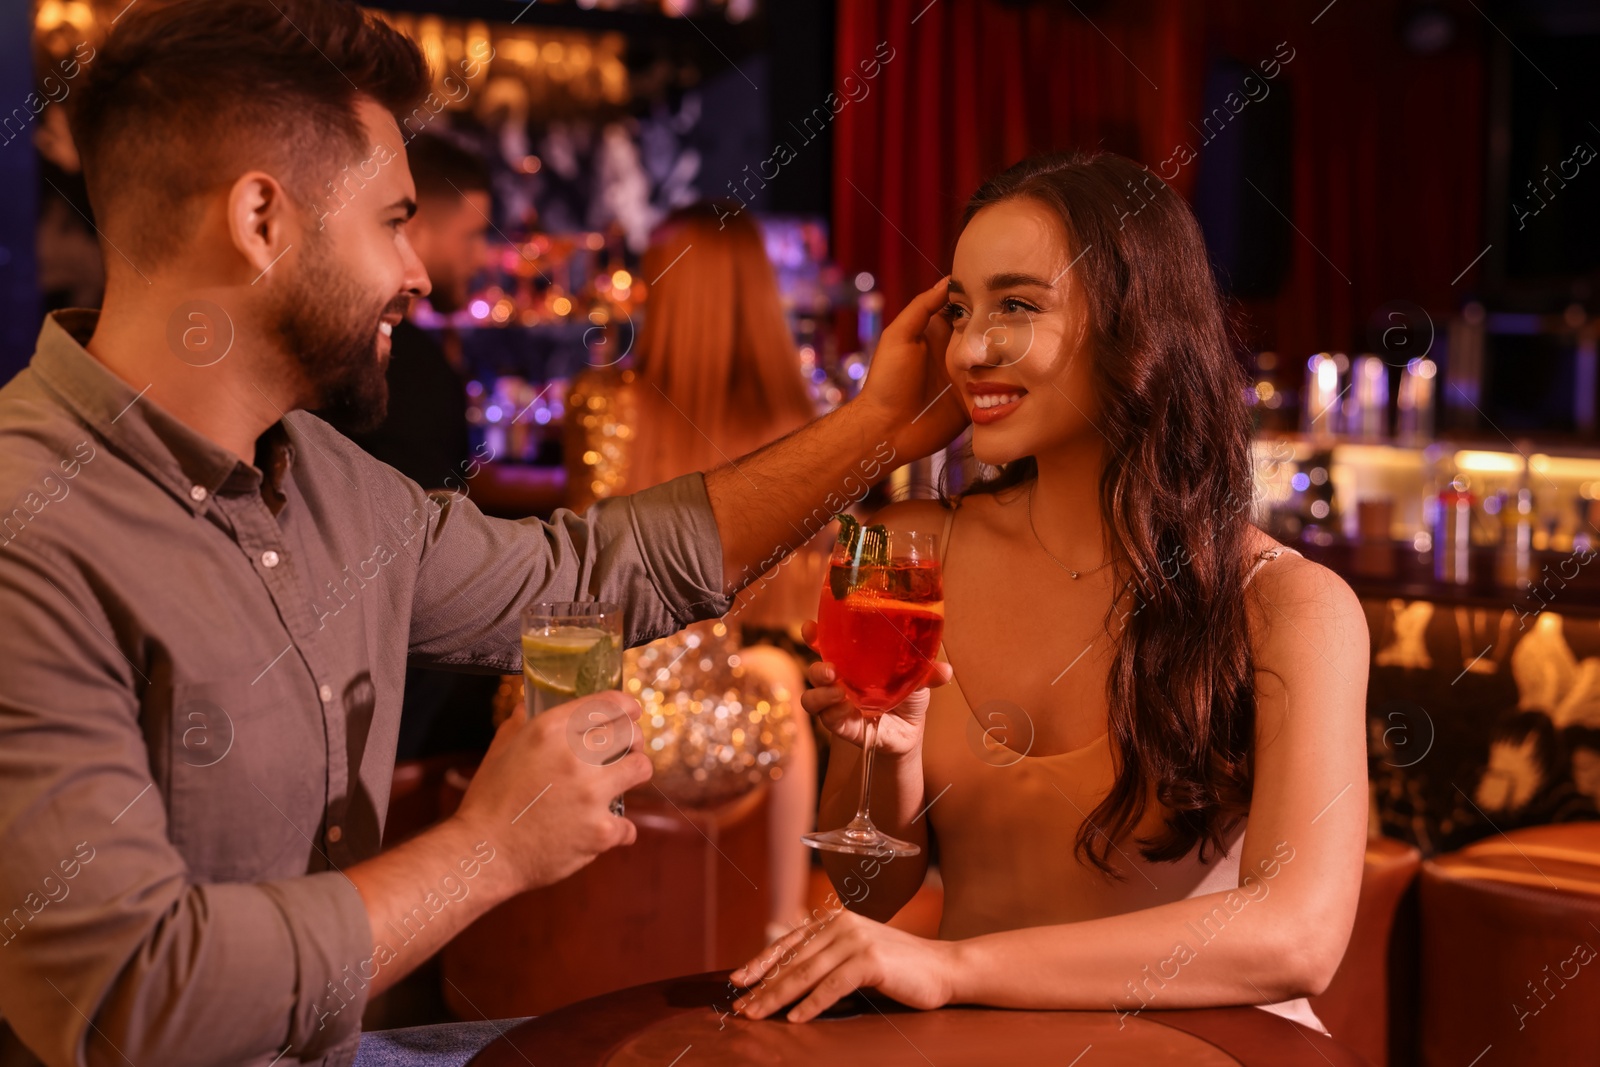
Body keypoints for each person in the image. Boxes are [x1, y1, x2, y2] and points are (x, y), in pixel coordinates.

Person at [0, 4, 963, 1067]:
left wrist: (877, 427)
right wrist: (487, 849)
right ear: (261, 220)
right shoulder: (27, 531)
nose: (416, 272)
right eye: (392, 220)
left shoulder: (326, 481)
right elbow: (132, 997)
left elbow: (593, 573)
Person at [729, 152, 1370, 1033]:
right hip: (976, 1042)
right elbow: (869, 890)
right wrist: (889, 756)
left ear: (1135, 326)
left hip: (1207, 1049)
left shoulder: (1291, 605)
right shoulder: (908, 552)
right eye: (959, 310)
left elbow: (1297, 937)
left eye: (1017, 306)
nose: (969, 348)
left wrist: (956, 966)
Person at [564, 201, 824, 938]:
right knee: (781, 675)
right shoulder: (799, 427)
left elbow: (584, 571)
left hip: (595, 704)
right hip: (726, 725)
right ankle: (783, 922)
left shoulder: (602, 404)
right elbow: (799, 605)